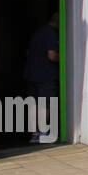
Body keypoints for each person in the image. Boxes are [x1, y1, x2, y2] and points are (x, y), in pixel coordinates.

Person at [23, 12, 60, 144]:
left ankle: (35, 134)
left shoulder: (38, 32)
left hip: (32, 73)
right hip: (46, 75)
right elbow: (52, 55)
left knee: (33, 105)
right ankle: (43, 133)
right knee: (45, 104)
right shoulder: (51, 34)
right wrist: (65, 57)